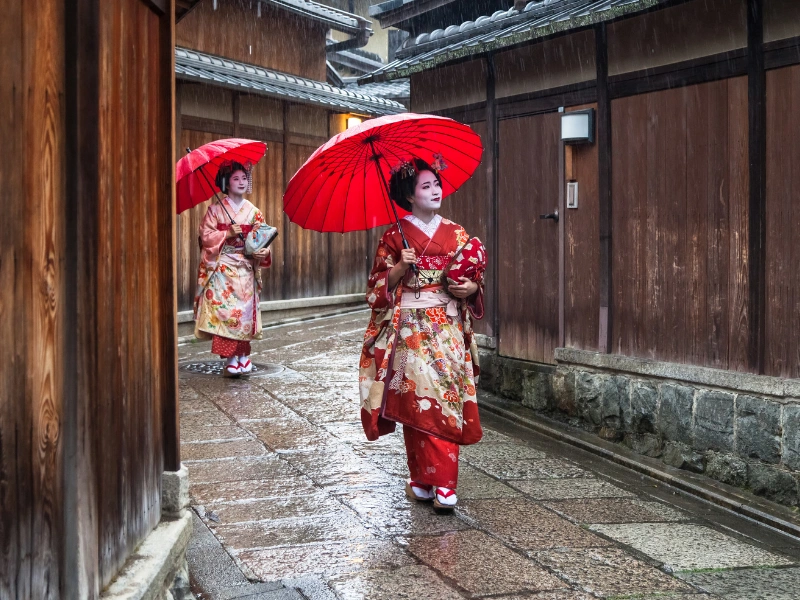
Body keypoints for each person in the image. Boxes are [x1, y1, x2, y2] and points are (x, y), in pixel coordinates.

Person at [359, 157, 486, 513]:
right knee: (416, 400)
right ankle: (422, 480)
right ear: (409, 196)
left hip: (446, 327)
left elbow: (474, 279)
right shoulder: (393, 236)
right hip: (411, 328)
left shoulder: (457, 233)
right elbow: (374, 291)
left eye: (436, 184)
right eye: (425, 187)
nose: (435, 191)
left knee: (444, 398)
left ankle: (444, 483)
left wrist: (471, 287)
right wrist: (398, 268)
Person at [194, 161, 272, 376]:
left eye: (244, 178)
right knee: (226, 314)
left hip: (246, 268)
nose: (241, 182)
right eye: (235, 178)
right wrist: (226, 234)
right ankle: (230, 358)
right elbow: (205, 237)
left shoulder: (254, 212)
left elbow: (262, 239)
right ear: (226, 183)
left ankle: (244, 356)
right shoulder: (215, 210)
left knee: (245, 316)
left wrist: (262, 252)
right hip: (222, 269)